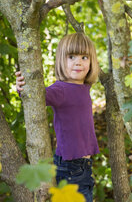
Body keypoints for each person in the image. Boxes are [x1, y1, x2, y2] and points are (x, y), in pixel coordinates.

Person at [16, 32, 100, 202]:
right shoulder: (60, 90)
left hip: (83, 167)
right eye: (71, 57)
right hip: (70, 167)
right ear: (62, 60)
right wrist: (21, 87)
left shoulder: (85, 86)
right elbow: (36, 96)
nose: (78, 62)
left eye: (84, 57)